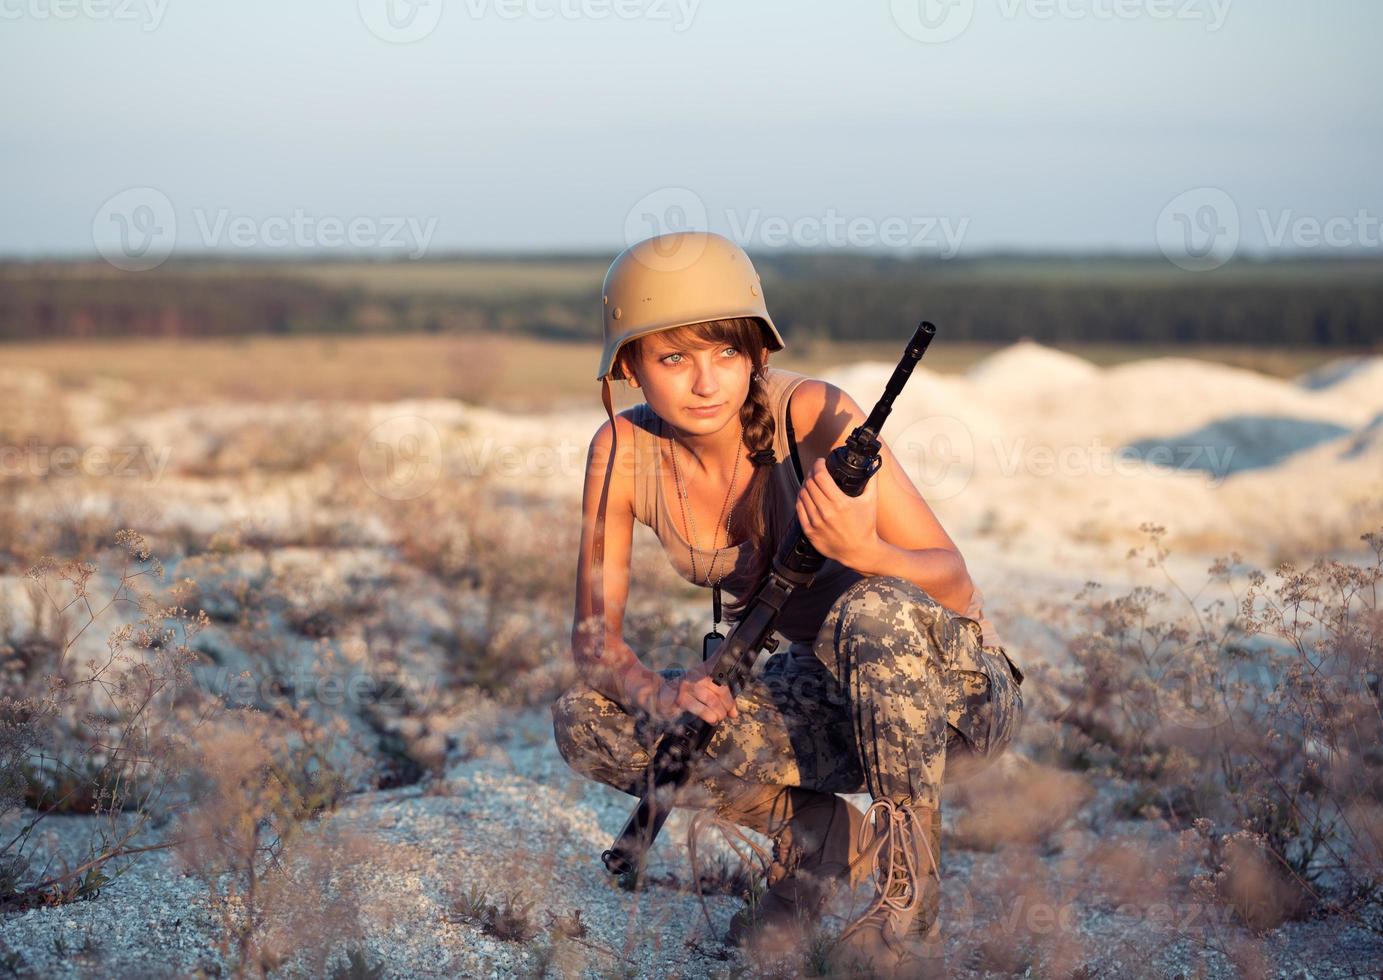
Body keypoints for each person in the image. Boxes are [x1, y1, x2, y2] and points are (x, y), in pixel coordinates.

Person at [551, 230, 1024, 976]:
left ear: (755, 354)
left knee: (872, 608)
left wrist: (868, 553)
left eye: (726, 353)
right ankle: (818, 835)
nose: (706, 382)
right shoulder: (620, 449)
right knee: (589, 717)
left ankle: (907, 909)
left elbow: (954, 582)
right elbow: (591, 638)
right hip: (826, 698)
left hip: (951, 700)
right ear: (630, 366)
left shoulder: (814, 413)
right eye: (674, 358)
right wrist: (659, 690)